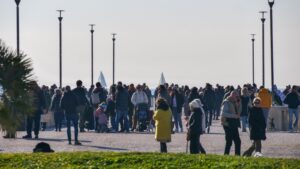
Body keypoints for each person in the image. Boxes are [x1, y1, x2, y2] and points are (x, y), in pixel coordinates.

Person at [220, 90, 241, 155]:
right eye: (236, 96)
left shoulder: (235, 102)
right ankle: (226, 155)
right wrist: (234, 116)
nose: (237, 97)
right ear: (232, 96)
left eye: (237, 96)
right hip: (227, 124)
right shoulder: (226, 102)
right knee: (229, 141)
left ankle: (237, 156)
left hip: (233, 124)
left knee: (237, 141)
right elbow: (223, 113)